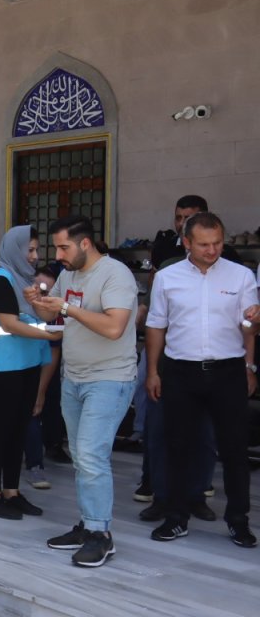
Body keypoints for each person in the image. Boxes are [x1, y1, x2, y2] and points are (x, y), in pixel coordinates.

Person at [27, 215, 138, 568]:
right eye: (56, 246)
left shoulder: (115, 274)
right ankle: (89, 523)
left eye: (64, 247)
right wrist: (38, 303)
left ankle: (100, 534)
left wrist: (64, 306)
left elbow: (115, 327)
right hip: (73, 376)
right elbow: (58, 321)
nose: (57, 254)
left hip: (110, 378)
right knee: (80, 455)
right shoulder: (68, 274)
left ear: (85, 243)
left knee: (90, 454)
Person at [144, 212, 257, 548]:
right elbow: (156, 326)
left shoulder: (240, 276)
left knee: (235, 451)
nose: (212, 250)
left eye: (218, 242)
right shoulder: (168, 277)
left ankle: (238, 521)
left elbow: (249, 327)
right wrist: (152, 371)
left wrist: (250, 362)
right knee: (178, 446)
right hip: (181, 371)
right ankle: (176, 517)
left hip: (229, 372)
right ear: (187, 242)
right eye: (205, 244)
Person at [0, 226, 59, 520]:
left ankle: (12, 491)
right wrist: (52, 336)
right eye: (30, 250)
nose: (35, 256)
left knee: (19, 430)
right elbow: (8, 324)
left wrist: (44, 306)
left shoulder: (26, 282)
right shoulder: (0, 281)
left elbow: (44, 317)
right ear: (14, 250)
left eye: (36, 250)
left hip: (27, 365)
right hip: (0, 369)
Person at [23, 264, 64, 490]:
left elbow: (53, 351)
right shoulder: (16, 306)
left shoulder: (54, 315)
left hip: (39, 369)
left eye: (48, 293)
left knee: (34, 412)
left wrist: (40, 392)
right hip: (11, 367)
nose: (42, 297)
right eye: (39, 290)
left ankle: (35, 465)